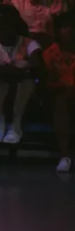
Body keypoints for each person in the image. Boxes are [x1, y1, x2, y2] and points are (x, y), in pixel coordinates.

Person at [0, 5, 42, 144]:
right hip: (0, 85)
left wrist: (13, 70)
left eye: (6, 22)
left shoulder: (27, 42)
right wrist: (10, 70)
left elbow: (36, 64)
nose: (2, 27)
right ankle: (1, 123)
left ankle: (15, 126)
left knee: (26, 81)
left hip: (23, 87)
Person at [42, 12, 75, 172]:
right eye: (65, 27)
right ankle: (65, 156)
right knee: (62, 100)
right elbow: (47, 82)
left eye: (72, 27)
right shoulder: (49, 53)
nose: (69, 31)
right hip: (57, 98)